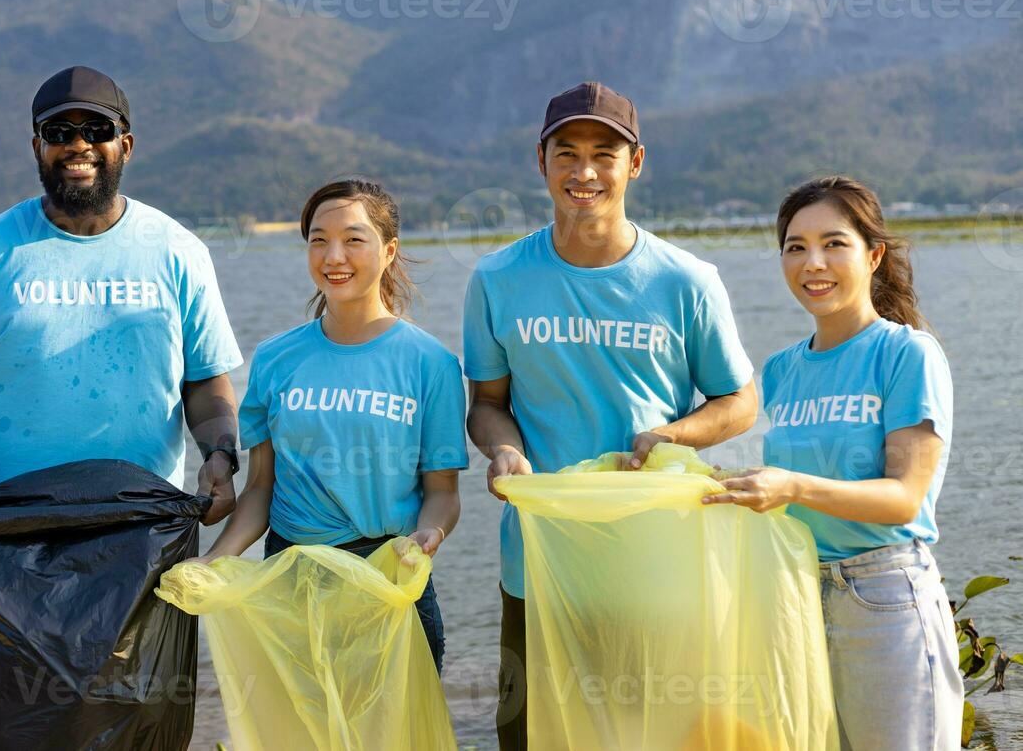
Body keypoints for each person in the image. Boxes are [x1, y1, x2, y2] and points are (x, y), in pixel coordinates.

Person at [461, 82, 758, 749]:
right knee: (532, 737)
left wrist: (671, 435)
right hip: (538, 563)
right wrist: (504, 453)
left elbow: (741, 401)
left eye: (605, 153)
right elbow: (486, 406)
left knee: (653, 734)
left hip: (654, 562)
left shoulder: (685, 280)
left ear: (637, 163)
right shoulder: (498, 277)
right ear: (541, 161)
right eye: (567, 153)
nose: (585, 171)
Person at [0, 65, 243, 527]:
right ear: (38, 147)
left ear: (126, 144)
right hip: (14, 520)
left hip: (143, 519)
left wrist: (220, 457)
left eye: (98, 130)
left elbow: (203, 380)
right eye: (59, 131)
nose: (78, 145)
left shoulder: (178, 250)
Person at [702, 176, 963, 750]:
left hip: (884, 599)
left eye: (833, 243)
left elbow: (904, 497)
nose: (812, 262)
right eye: (795, 247)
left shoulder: (906, 354)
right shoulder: (780, 370)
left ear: (873, 255)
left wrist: (792, 486)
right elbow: (763, 482)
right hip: (795, 599)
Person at [198, 179, 467, 672]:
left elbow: (443, 492)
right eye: (318, 239)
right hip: (293, 578)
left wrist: (430, 533)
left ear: (388, 252)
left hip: (389, 577)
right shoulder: (276, 359)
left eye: (353, 239)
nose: (333, 255)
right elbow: (260, 488)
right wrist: (215, 560)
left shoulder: (432, 363)